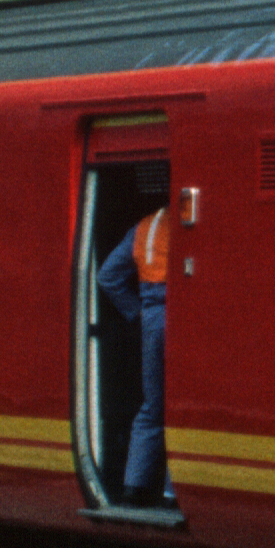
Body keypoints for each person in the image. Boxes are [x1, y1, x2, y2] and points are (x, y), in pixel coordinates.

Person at [96, 191, 173, 502]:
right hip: (183, 318)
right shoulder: (188, 221)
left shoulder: (145, 225)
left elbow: (107, 276)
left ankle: (133, 487)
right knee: (182, 410)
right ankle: (171, 492)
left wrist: (138, 314)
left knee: (153, 407)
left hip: (153, 319)